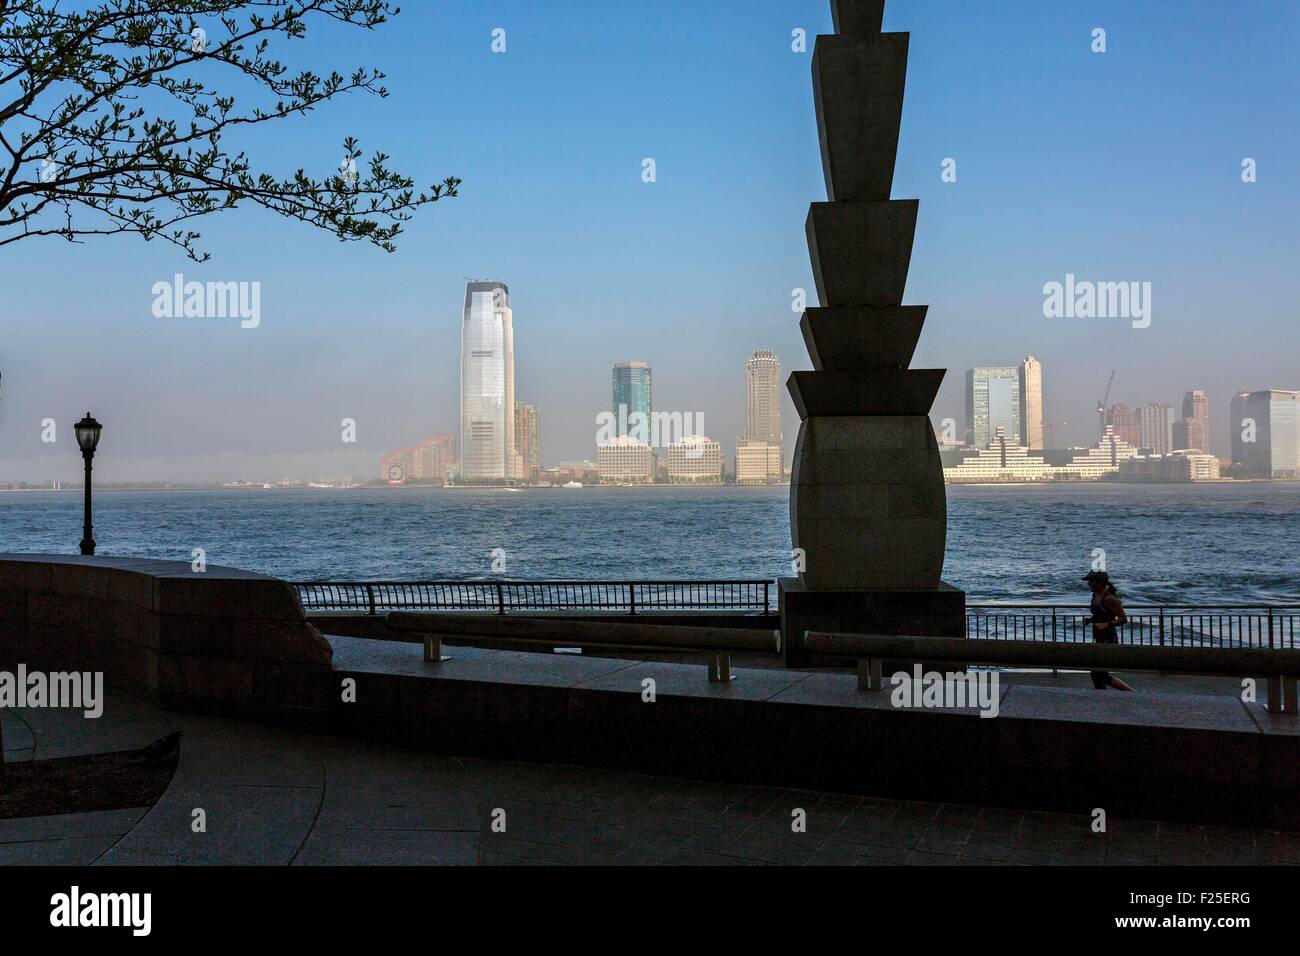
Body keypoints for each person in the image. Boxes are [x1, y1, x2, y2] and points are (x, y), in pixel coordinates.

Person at [1083, 570, 1134, 691]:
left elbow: (1123, 619)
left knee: (1098, 673)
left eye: (1091, 581)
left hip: (1108, 638)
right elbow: (1100, 615)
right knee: (1098, 674)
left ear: (1099, 582)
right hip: (1097, 636)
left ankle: (1131, 692)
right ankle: (1103, 696)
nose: (1088, 584)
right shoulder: (1094, 596)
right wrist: (1089, 620)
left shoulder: (1109, 598)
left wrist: (1107, 624)